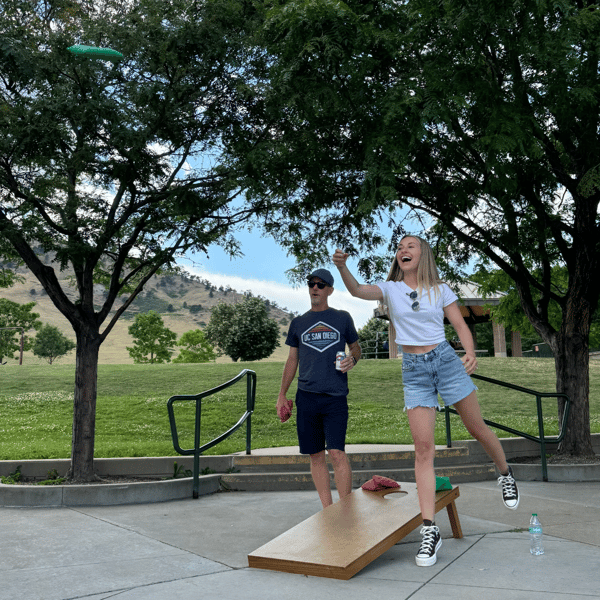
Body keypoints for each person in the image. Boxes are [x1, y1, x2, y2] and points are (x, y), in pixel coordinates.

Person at [332, 236, 519, 567]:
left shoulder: (440, 289)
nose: (403, 250)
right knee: (423, 450)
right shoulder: (390, 288)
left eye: (411, 246)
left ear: (423, 255)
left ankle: (504, 473)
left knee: (477, 428)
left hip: (445, 361)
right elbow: (358, 291)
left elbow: (460, 324)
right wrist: (343, 267)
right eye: (400, 247)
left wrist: (471, 352)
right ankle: (429, 530)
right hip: (414, 371)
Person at [277, 268, 361, 509]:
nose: (315, 287)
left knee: (336, 453)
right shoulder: (299, 323)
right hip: (306, 398)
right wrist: (282, 394)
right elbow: (292, 359)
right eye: (311, 283)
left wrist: (352, 360)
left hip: (335, 397)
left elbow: (356, 348)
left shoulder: (342, 318)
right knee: (315, 456)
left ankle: (345, 510)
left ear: (330, 290)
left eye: (321, 284)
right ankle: (328, 510)